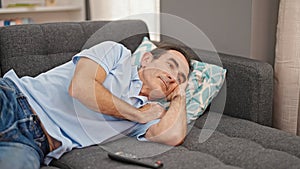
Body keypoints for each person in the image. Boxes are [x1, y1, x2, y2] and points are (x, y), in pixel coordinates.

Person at [0, 40, 192, 169]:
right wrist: (137, 114)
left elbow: (172, 136)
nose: (172, 77)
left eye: (180, 78)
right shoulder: (117, 53)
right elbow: (81, 88)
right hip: (14, 99)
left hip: (34, 145)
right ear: (147, 59)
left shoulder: (152, 114)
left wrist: (180, 95)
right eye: (170, 65)